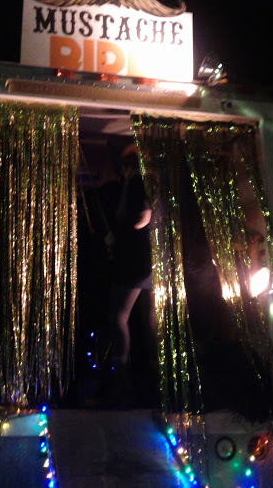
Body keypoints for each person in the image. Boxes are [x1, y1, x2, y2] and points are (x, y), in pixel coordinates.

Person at [105, 144, 158, 407]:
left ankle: (121, 374)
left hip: (135, 262)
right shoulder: (147, 183)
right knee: (149, 319)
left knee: (119, 315)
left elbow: (143, 216)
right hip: (147, 260)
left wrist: (123, 232)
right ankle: (155, 371)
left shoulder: (137, 183)